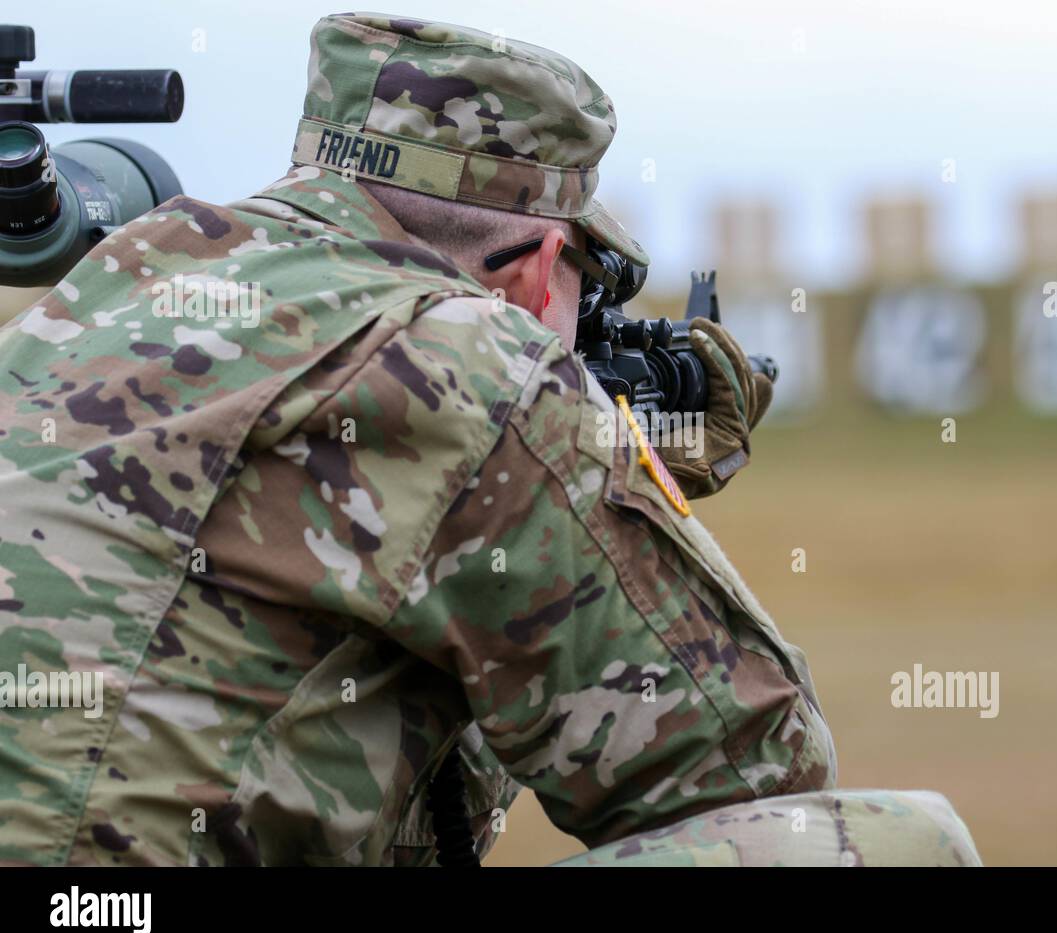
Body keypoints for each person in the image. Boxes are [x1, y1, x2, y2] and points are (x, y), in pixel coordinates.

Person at [0, 13, 979, 866]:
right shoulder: (468, 355)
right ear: (537, 262)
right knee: (889, 845)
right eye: (585, 292)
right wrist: (604, 474)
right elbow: (751, 764)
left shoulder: (117, 280)